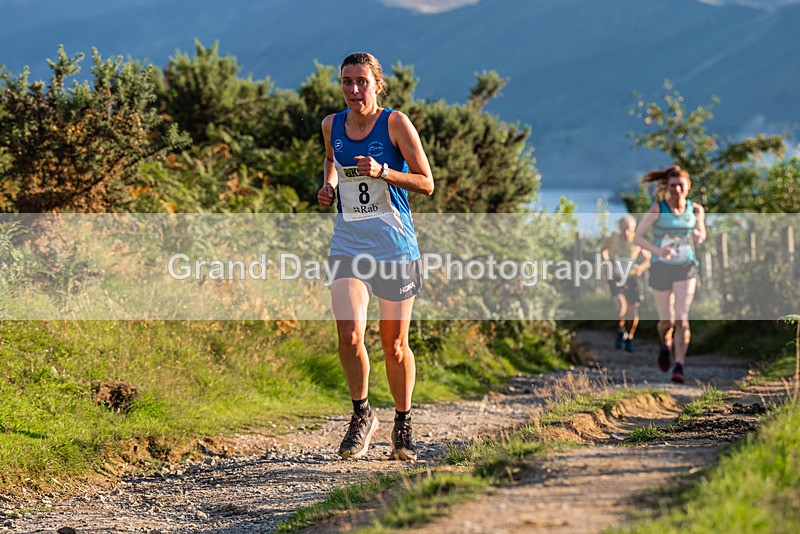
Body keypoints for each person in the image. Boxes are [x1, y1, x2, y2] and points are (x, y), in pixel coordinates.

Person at [317, 52, 434, 461]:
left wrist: (383, 171)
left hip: (395, 247)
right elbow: (331, 160)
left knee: (394, 345)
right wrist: (329, 185)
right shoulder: (331, 125)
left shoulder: (396, 123)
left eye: (361, 81)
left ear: (377, 85)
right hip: (348, 243)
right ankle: (362, 414)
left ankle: (403, 422)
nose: (353, 89)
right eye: (346, 81)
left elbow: (427, 183)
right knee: (349, 335)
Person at [634, 165, 706, 383]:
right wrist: (658, 251)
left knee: (682, 319)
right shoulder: (658, 209)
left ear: (688, 186)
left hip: (686, 266)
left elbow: (702, 232)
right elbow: (637, 237)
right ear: (667, 187)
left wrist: (698, 234)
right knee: (667, 322)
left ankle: (679, 365)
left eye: (681, 185)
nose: (677, 190)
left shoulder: (696, 210)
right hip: (661, 267)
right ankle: (665, 344)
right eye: (673, 185)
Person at [600, 215, 651, 352]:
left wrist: (641, 267)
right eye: (624, 229)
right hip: (616, 277)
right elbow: (603, 250)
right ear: (619, 228)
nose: (626, 232)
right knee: (620, 307)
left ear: (634, 229)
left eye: (629, 229)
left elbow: (648, 258)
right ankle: (620, 330)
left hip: (632, 278)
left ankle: (629, 337)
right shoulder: (613, 239)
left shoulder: (637, 240)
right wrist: (608, 263)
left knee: (633, 310)